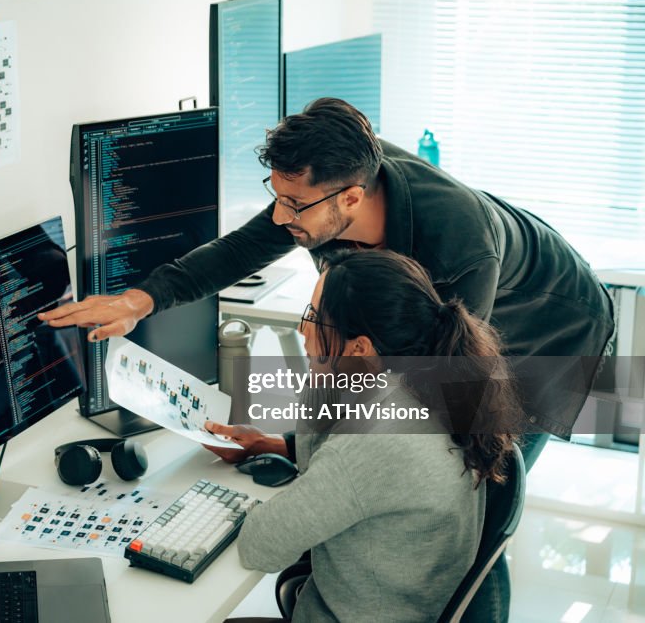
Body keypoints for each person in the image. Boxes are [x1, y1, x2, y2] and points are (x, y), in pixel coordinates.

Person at [39, 97, 614, 617]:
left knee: (473, 484)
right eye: (276, 196)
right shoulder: (329, 181)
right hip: (465, 311)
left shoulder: (457, 249)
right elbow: (240, 249)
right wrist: (138, 302)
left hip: (550, 328)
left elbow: (431, 398)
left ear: (352, 198)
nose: (281, 216)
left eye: (293, 204)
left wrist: (336, 471)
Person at [212, 249, 524, 622]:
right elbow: (319, 468)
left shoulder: (376, 439)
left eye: (313, 318)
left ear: (360, 347)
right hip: (408, 603)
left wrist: (321, 371)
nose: (301, 329)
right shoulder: (430, 384)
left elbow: (261, 547)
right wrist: (330, 362)